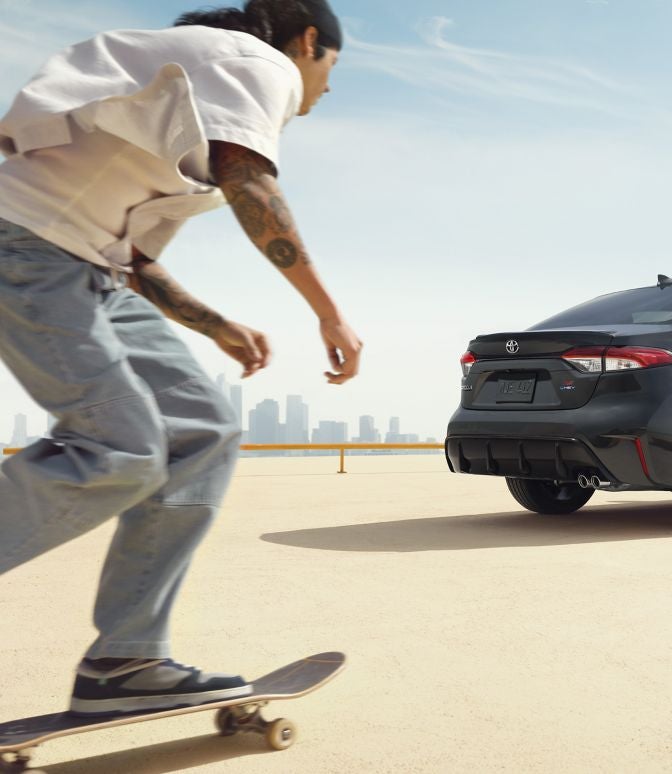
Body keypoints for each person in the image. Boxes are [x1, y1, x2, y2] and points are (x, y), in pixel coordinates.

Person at [0, 0, 362, 716]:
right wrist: (327, 311)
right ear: (309, 41)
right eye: (332, 70)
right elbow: (250, 183)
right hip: (26, 247)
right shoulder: (254, 61)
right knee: (121, 447)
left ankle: (127, 660)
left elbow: (133, 260)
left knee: (203, 432)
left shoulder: (181, 82)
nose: (326, 89)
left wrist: (217, 324)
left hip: (85, 268)